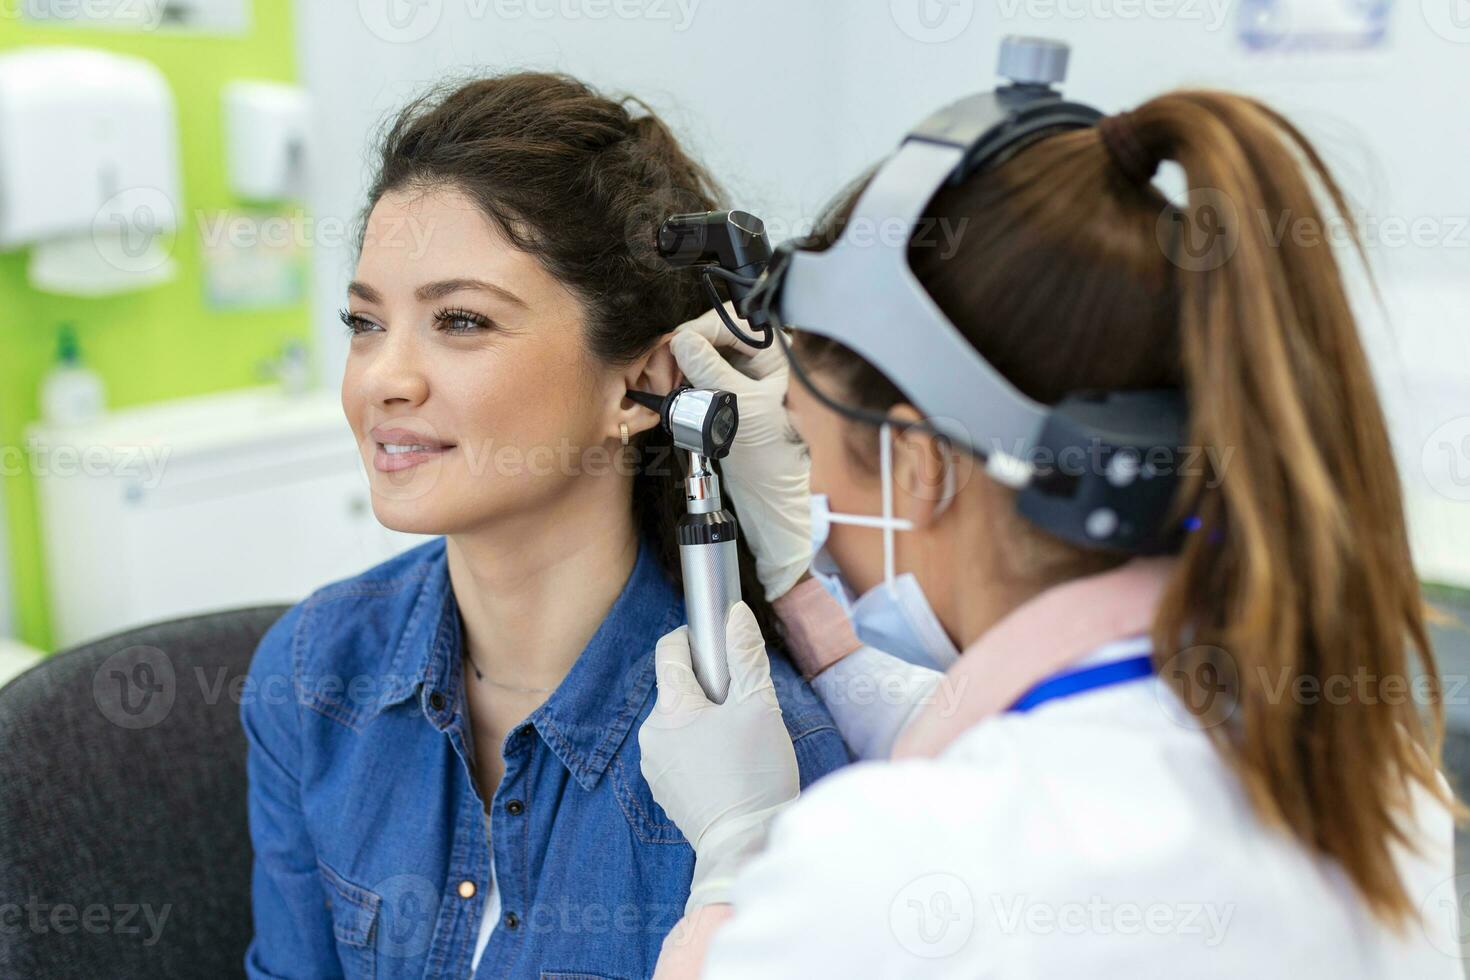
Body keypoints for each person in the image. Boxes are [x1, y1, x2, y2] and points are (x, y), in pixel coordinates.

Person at [638, 83, 1464, 977]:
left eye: (802, 437)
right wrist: (814, 623)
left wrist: (736, 851)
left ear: (921, 466)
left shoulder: (901, 871)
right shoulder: (1359, 772)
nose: (806, 492)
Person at [240, 72, 852, 980]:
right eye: (365, 322)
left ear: (641, 384)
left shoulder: (759, 766)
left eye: (460, 320)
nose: (382, 379)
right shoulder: (313, 674)